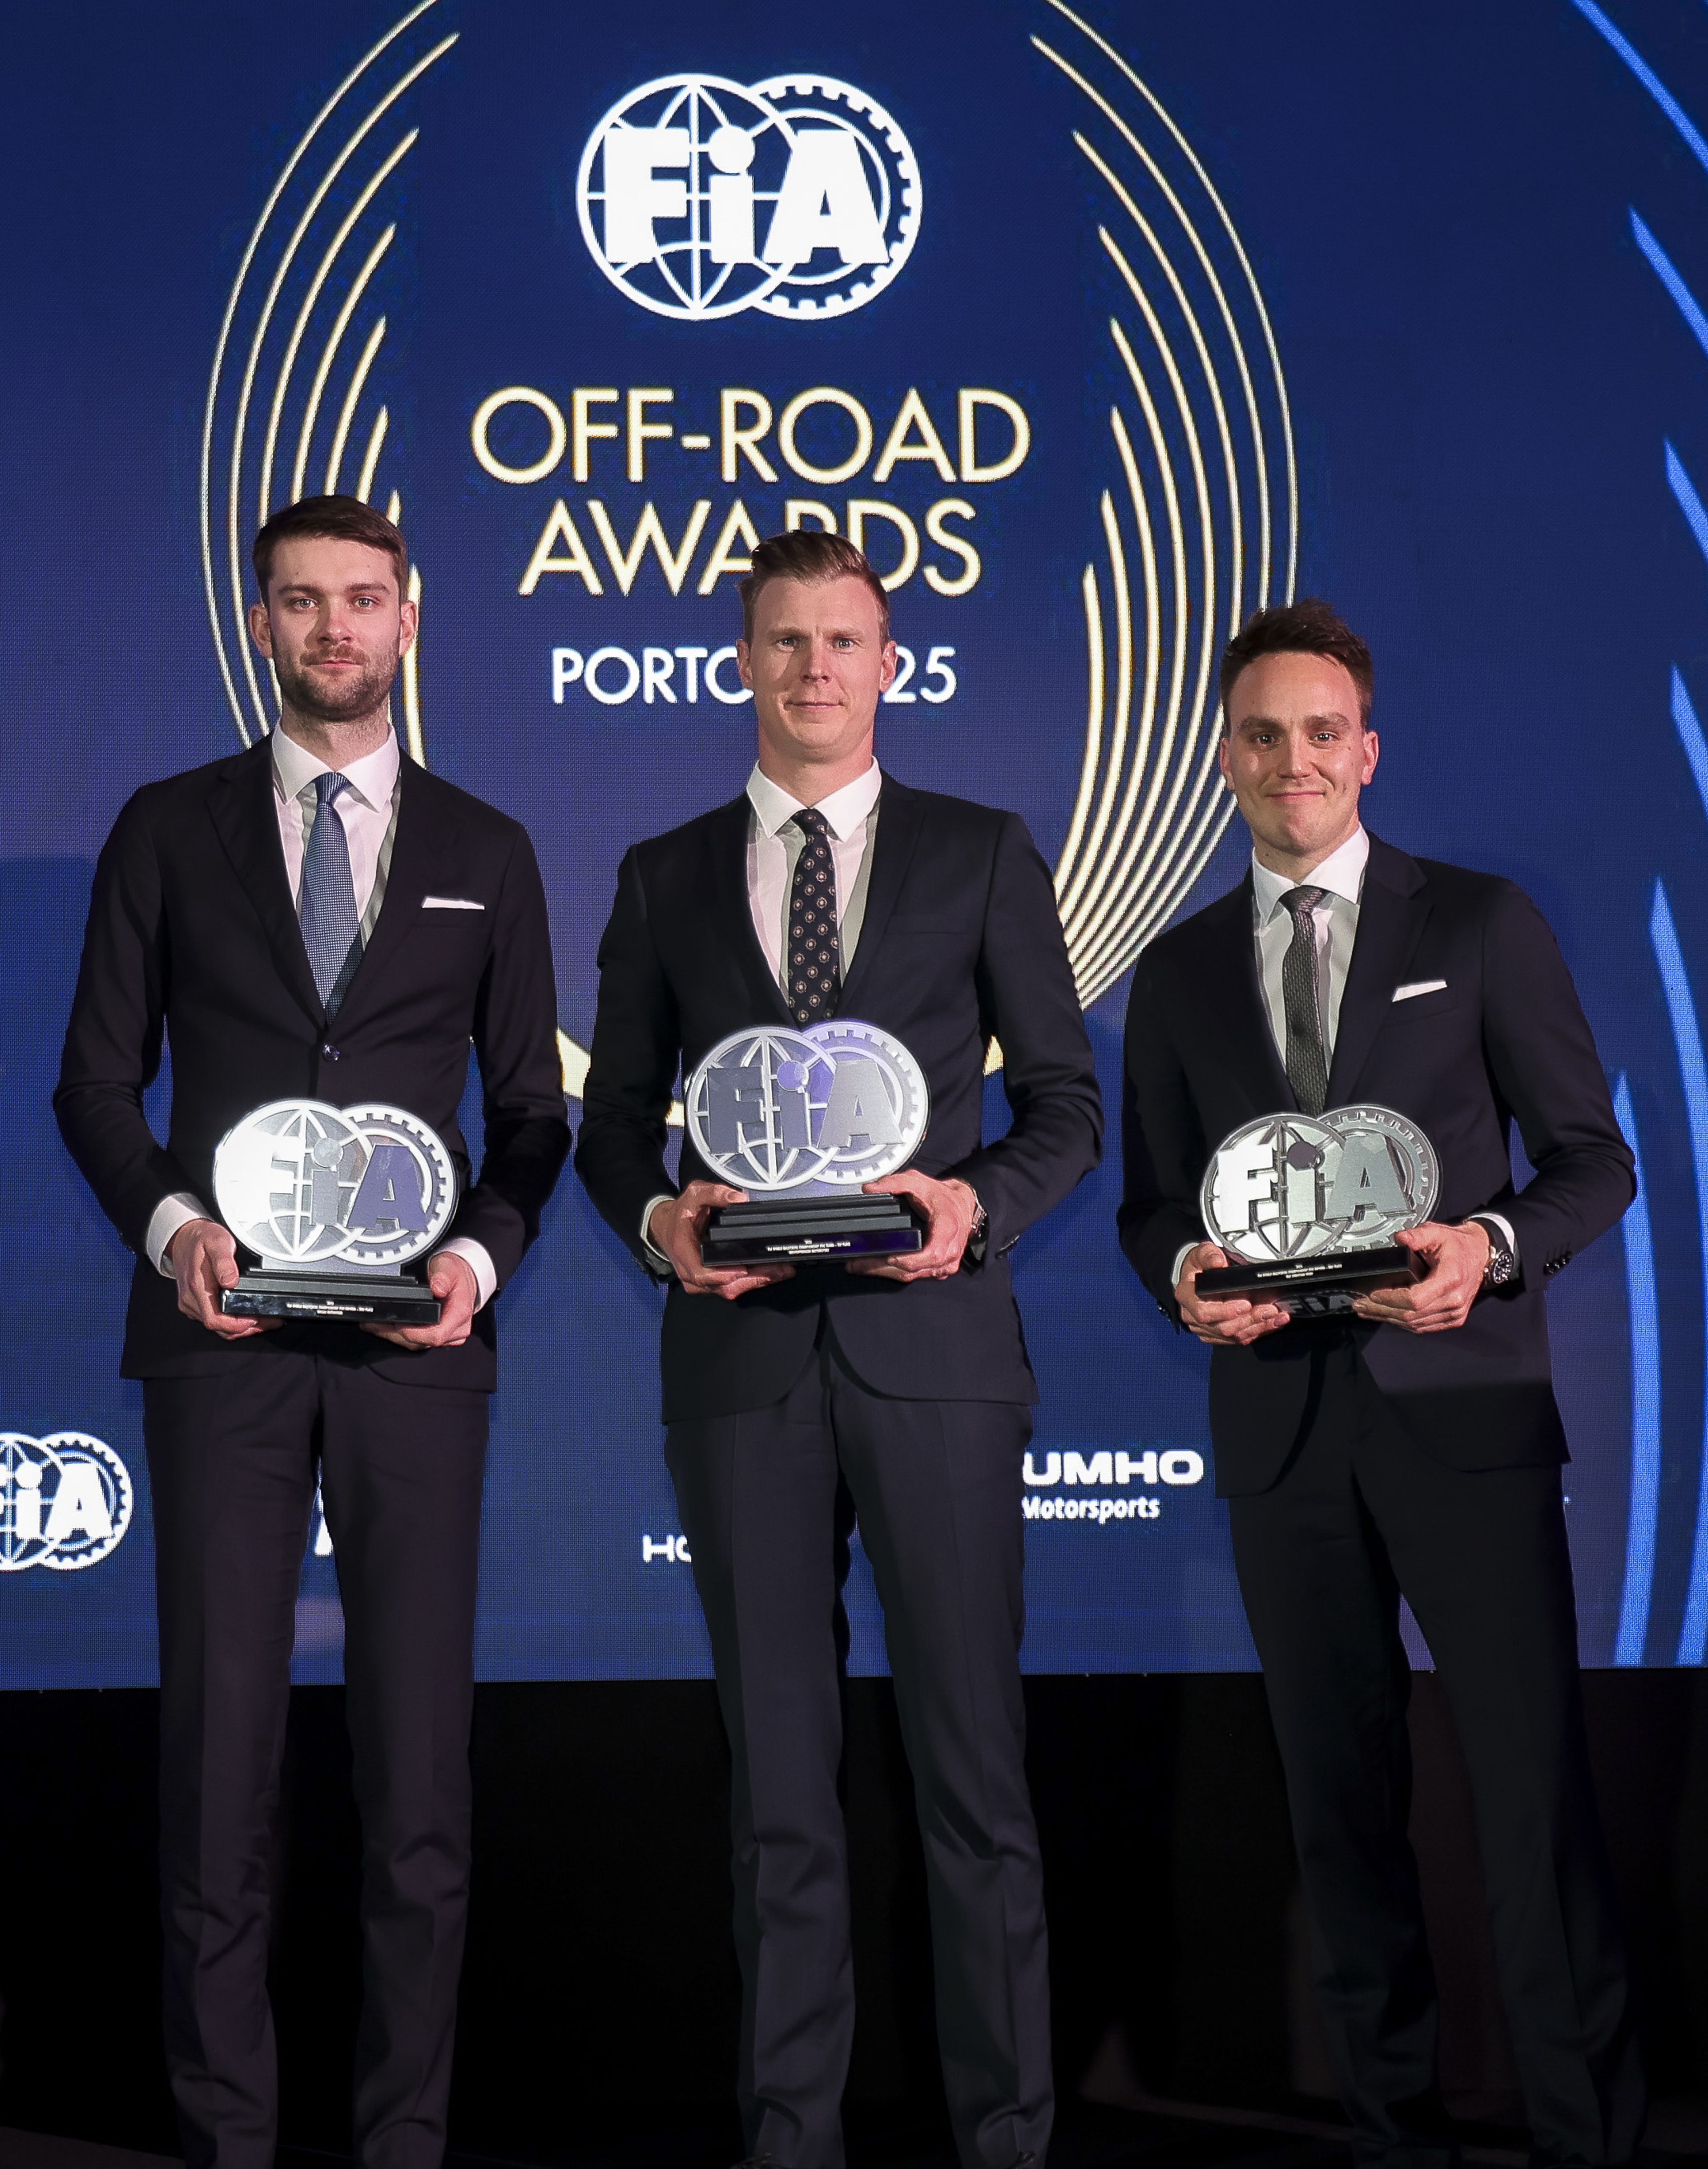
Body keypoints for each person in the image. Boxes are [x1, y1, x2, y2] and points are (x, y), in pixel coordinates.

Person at [55, 494, 571, 2169]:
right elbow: (91, 1083)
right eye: (301, 604)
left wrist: (480, 1265)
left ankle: (403, 2138)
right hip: (219, 1341)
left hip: (420, 1354)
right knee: (219, 1764)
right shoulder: (164, 826)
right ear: (259, 625)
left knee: (419, 1772)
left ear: (412, 619)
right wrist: (178, 1225)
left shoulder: (488, 850)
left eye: (362, 601)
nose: (334, 630)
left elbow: (530, 1118)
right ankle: (228, 2140)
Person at [576, 530, 1102, 2169]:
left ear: (892, 662)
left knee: (974, 1779)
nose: (815, 667)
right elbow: (608, 1132)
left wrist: (972, 1204)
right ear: (743, 660)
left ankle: (1007, 2138)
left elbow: (1068, 1108)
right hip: (739, 1370)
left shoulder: (985, 850)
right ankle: (788, 2139)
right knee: (779, 1792)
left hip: (934, 1354)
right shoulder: (662, 873)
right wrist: (663, 1224)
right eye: (786, 639)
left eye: (844, 639)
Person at [1118, 599, 1644, 2167]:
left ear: (1370, 747)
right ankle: (1390, 2130)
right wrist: (1185, 1280)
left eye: (1323, 731)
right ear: (1226, 757)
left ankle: (1585, 2132)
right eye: (1265, 734)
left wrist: (1484, 1245)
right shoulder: (1183, 967)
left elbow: (1593, 1162)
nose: (1298, 761)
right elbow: (1158, 1198)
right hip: (1282, 1437)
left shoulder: (1478, 922)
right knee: (1340, 1811)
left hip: (1463, 1418)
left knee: (1530, 1797)